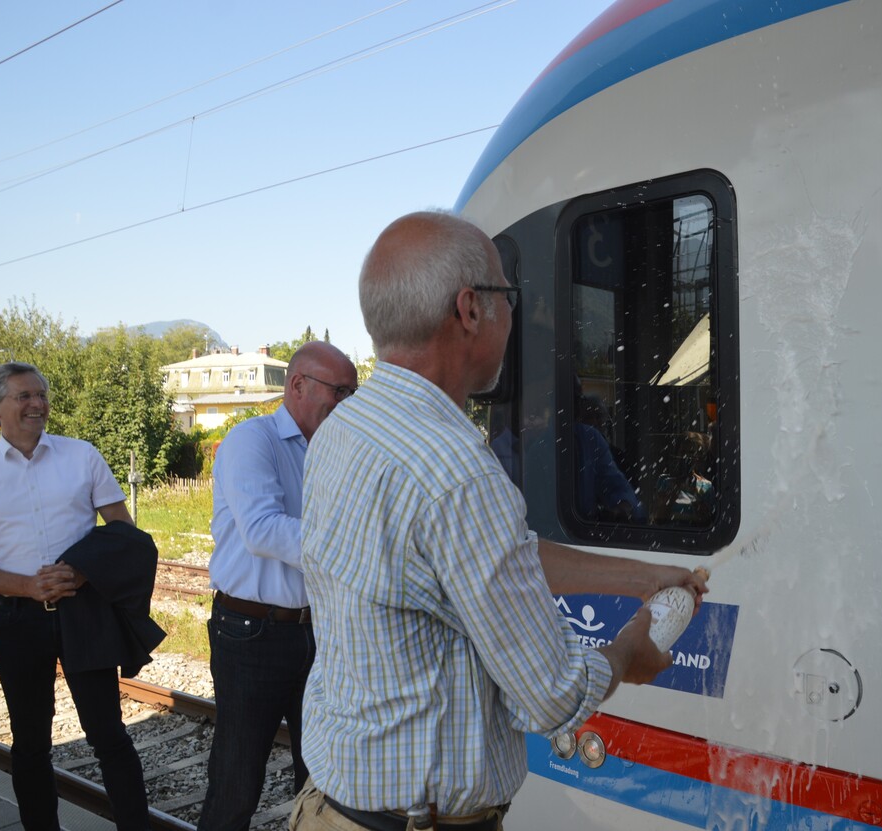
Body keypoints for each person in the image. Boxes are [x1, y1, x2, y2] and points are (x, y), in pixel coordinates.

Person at [292, 211, 707, 831]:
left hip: (330, 809)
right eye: (509, 297)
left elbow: (496, 555)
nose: (513, 316)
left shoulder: (344, 429)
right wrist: (630, 649)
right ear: (470, 310)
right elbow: (553, 696)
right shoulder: (457, 471)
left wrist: (641, 577)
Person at [198, 341, 358, 831]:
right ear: (298, 385)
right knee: (237, 781)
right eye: (340, 391)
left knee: (323, 776)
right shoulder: (253, 440)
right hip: (252, 632)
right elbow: (263, 529)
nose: (347, 403)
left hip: (321, 631)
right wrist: (356, 546)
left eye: (353, 393)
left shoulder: (337, 450)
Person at [0, 362, 151, 831]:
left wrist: (80, 572)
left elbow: (123, 532)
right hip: (17, 619)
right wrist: (27, 586)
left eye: (41, 394)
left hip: (84, 613)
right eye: (24, 396)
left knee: (109, 736)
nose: (37, 404)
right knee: (30, 744)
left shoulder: (82, 455)